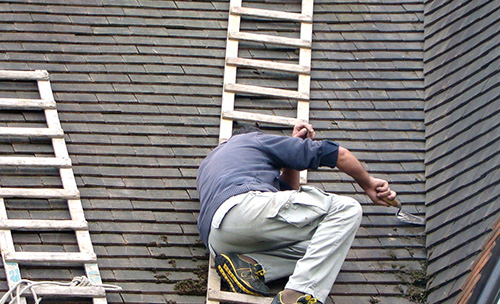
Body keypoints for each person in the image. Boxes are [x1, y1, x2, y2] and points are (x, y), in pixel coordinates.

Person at [196, 122, 396, 304]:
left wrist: (290, 159)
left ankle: (250, 265)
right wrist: (368, 183)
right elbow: (336, 154)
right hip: (245, 207)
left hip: (219, 241)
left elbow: (285, 200)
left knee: (327, 246)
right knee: (346, 209)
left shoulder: (208, 165)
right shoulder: (253, 139)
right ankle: (297, 294)